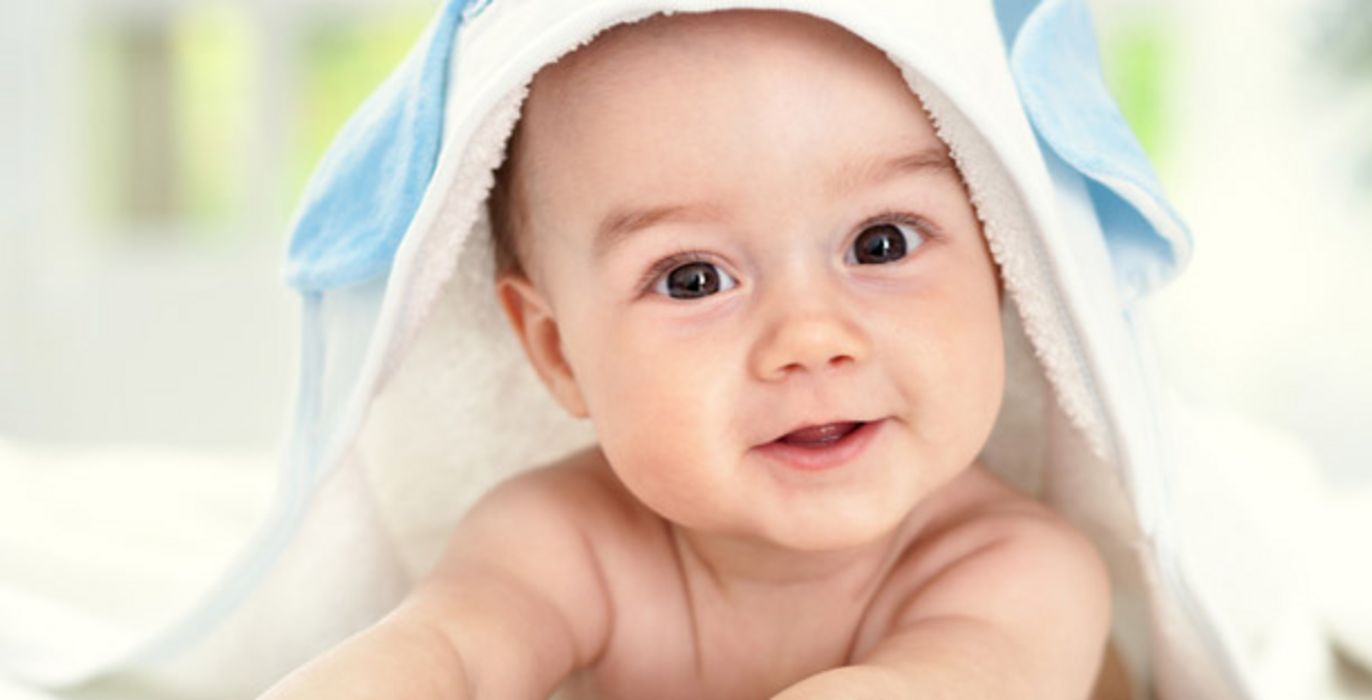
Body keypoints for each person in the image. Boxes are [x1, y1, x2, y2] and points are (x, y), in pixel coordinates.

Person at [262, 9, 1120, 699]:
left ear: (1003, 263)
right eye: (693, 278)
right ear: (558, 352)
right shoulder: (563, 542)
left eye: (882, 243)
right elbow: (446, 647)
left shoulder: (1021, 573)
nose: (809, 338)